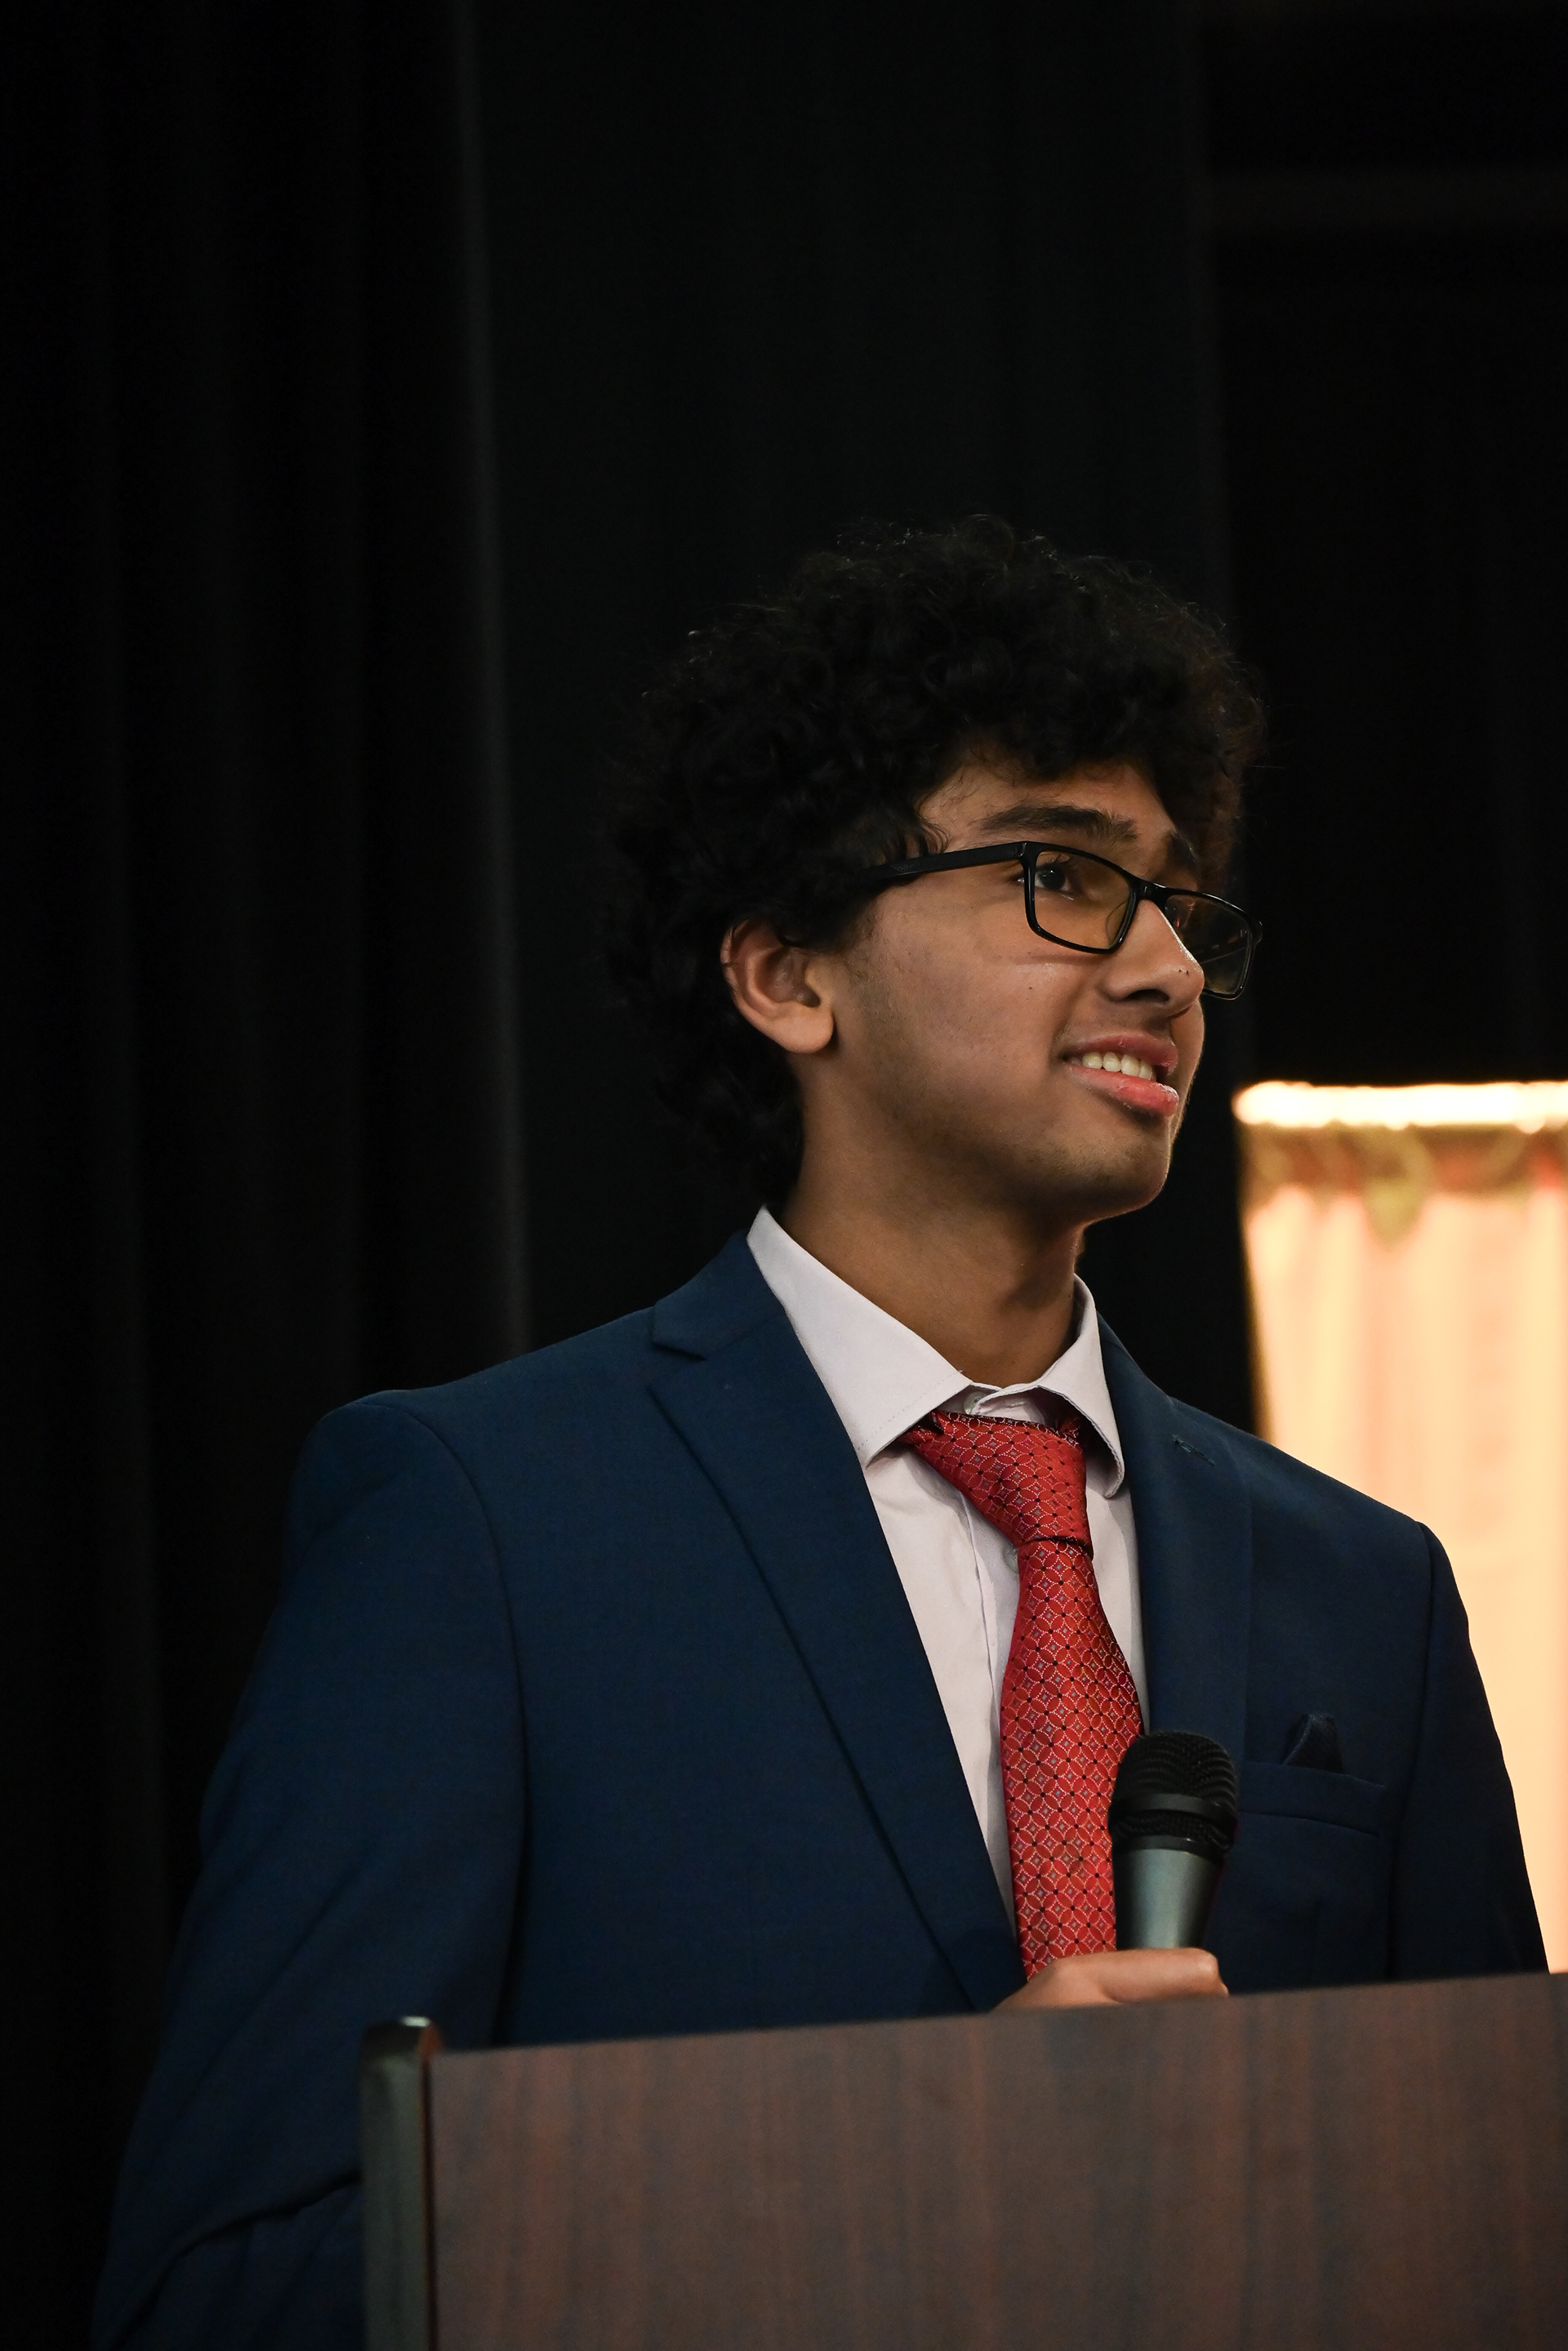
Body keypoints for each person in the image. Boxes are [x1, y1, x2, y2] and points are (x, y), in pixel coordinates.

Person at [95, 521, 1542, 2350]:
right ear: (789, 975)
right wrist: (925, 2175)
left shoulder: (1367, 1588)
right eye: (1063, 877)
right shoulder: (482, 1526)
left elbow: (1504, 2217)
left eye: (1184, 905)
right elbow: (229, 2288)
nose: (1169, 969)